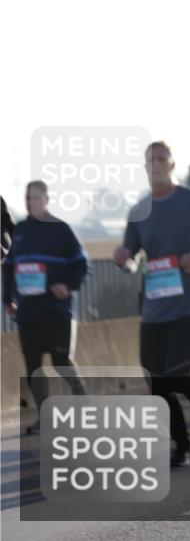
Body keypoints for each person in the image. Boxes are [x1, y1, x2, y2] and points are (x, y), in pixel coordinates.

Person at [113, 141, 190, 467]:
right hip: (155, 304)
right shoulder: (139, 211)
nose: (157, 164)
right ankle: (181, 446)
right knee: (156, 381)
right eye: (151, 159)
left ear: (172, 164)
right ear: (145, 166)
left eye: (162, 158)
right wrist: (124, 261)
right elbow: (134, 260)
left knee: (178, 372)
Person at [2, 181, 89, 434]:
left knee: (61, 361)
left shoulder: (61, 230)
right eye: (28, 198)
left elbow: (82, 265)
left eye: (36, 198)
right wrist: (7, 299)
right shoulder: (19, 231)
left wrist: (67, 285)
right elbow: (8, 268)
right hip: (28, 312)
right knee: (34, 368)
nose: (31, 203)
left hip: (55, 311)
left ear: (46, 200)